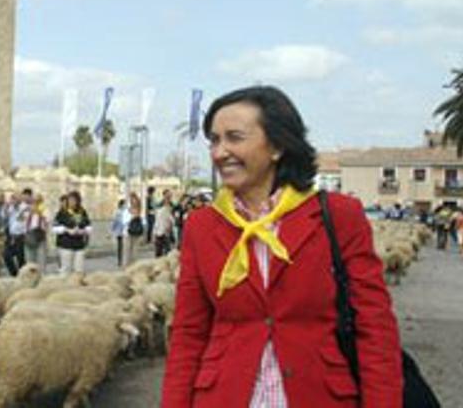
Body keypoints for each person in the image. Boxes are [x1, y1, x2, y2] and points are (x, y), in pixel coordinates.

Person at [162, 86, 402, 407]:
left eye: (234, 137)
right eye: (214, 141)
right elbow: (188, 334)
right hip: (225, 396)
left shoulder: (340, 216)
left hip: (319, 395)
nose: (220, 152)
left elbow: (375, 329)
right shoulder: (202, 226)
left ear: (276, 146)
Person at [52, 191, 91, 275]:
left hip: (79, 244)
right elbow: (55, 228)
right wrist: (66, 230)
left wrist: (83, 231)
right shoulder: (62, 212)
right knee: (66, 269)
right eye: (69, 200)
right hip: (66, 244)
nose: (71, 202)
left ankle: (77, 286)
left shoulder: (82, 212)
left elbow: (88, 226)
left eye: (74, 200)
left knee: (79, 270)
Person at [5, 191, 29, 276]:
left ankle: (23, 276)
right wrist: (6, 208)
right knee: (6, 255)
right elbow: (4, 217)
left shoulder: (25, 208)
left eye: (15, 198)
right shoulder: (10, 208)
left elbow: (22, 221)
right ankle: (14, 274)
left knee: (20, 258)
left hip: (20, 236)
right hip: (11, 236)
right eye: (12, 198)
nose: (13, 200)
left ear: (20, 199)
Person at [24, 192, 48, 272]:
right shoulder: (27, 209)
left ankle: (41, 278)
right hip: (29, 236)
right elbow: (22, 220)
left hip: (40, 236)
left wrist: (38, 212)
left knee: (41, 261)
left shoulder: (44, 209)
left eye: (37, 200)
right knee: (29, 262)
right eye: (34, 200)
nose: (35, 202)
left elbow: (47, 220)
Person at [123, 192, 146, 268]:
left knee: (135, 251)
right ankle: (126, 266)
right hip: (128, 232)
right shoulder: (127, 210)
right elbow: (124, 221)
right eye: (132, 200)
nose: (133, 202)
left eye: (135, 200)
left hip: (137, 232)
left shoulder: (140, 212)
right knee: (127, 250)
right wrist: (132, 218)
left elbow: (144, 223)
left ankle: (134, 266)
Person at [153, 189, 175, 257]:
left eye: (170, 195)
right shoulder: (159, 205)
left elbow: (173, 218)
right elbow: (157, 219)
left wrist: (170, 226)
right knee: (159, 251)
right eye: (168, 194)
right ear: (164, 195)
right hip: (160, 230)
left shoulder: (172, 205)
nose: (169, 196)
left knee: (168, 250)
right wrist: (155, 232)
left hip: (168, 231)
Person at [110, 199, 127, 267]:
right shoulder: (117, 212)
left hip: (125, 231)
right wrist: (112, 230)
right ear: (121, 205)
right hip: (120, 232)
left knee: (124, 247)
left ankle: (123, 260)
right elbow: (114, 222)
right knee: (120, 247)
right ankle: (120, 261)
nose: (125, 205)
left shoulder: (126, 212)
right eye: (124, 204)